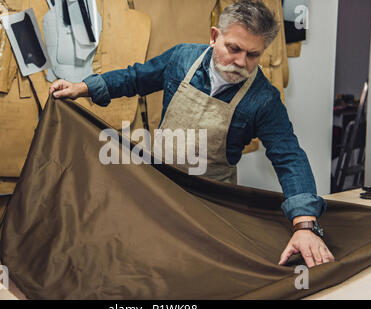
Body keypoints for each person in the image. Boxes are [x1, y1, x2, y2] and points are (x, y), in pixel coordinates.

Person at [49, 0, 335, 268]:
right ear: (214, 37)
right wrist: (83, 88)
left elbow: (289, 156)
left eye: (253, 55)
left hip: (211, 202)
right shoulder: (181, 58)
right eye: (233, 48)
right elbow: (135, 78)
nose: (240, 62)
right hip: (160, 186)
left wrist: (305, 225)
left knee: (196, 266)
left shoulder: (264, 99)